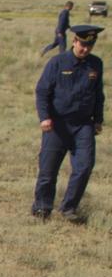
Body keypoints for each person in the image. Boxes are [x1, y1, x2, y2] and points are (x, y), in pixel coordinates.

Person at [33, 25, 104, 222]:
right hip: (57, 125)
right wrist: (44, 117)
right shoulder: (57, 62)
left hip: (83, 126)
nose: (85, 49)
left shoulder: (96, 64)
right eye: (82, 44)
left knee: (84, 167)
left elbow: (98, 94)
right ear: (74, 41)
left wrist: (98, 120)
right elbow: (42, 92)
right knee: (48, 170)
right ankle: (42, 207)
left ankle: (69, 208)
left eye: (90, 45)